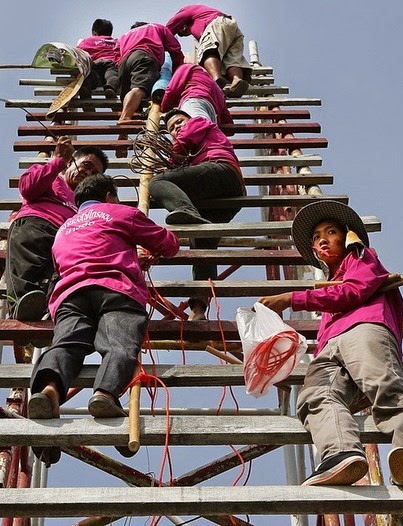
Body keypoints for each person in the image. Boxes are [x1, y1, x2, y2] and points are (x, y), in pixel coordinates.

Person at [258, 201, 403, 487]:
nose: (323, 240)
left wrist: (292, 298)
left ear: (347, 237)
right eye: (316, 237)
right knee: (314, 396)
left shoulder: (361, 257)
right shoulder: (330, 281)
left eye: (331, 232)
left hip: (364, 328)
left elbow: (352, 292)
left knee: (384, 387)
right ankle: (341, 453)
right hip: (329, 346)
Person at [28, 174, 180, 464]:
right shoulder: (119, 212)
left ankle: (49, 389)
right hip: (116, 289)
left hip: (70, 293)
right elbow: (168, 244)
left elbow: (67, 260)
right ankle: (105, 393)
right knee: (119, 343)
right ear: (109, 195)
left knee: (66, 344)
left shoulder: (64, 228)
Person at [148, 108, 245, 320]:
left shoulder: (198, 122)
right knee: (203, 243)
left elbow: (184, 140)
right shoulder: (190, 153)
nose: (177, 127)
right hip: (219, 196)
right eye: (172, 128)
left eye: (179, 122)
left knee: (157, 182)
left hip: (221, 170)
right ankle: (199, 308)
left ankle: (186, 209)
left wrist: (172, 161)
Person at [6, 137, 108, 321]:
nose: (88, 173)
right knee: (27, 262)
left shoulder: (86, 202)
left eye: (94, 173)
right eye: (86, 165)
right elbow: (27, 188)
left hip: (68, 238)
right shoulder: (51, 175)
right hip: (37, 223)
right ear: (71, 162)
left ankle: (50, 309)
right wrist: (58, 161)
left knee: (60, 276)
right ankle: (21, 303)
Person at [166, 4, 252, 98]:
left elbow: (167, 29)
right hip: (232, 26)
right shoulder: (201, 17)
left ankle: (216, 80)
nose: (184, 29)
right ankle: (236, 80)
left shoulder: (187, 10)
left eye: (183, 28)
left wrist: (161, 38)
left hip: (218, 23)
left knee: (208, 52)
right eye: (185, 33)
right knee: (232, 60)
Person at [115, 22, 184, 125]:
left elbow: (116, 54)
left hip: (124, 61)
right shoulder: (157, 27)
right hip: (144, 56)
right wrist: (178, 72)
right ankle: (125, 118)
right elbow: (175, 49)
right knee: (139, 89)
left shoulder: (124, 35)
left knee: (130, 96)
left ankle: (124, 125)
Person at [159, 63, 233, 129]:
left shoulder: (188, 67)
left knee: (195, 130)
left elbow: (172, 90)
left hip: (194, 102)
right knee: (204, 135)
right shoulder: (216, 88)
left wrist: (163, 108)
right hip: (212, 114)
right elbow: (227, 121)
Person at [77, 18, 120, 99]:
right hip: (110, 63)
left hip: (94, 63)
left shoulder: (87, 41)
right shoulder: (116, 41)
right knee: (112, 75)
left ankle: (86, 88)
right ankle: (110, 88)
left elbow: (79, 52)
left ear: (94, 33)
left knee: (91, 75)